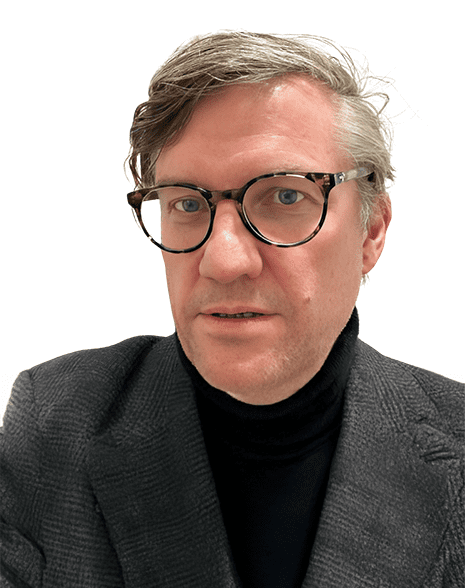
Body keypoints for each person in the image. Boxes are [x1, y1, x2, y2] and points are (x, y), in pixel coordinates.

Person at [1, 31, 463, 588]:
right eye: (187, 203)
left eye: (286, 196)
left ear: (371, 231)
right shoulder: (54, 425)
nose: (222, 261)